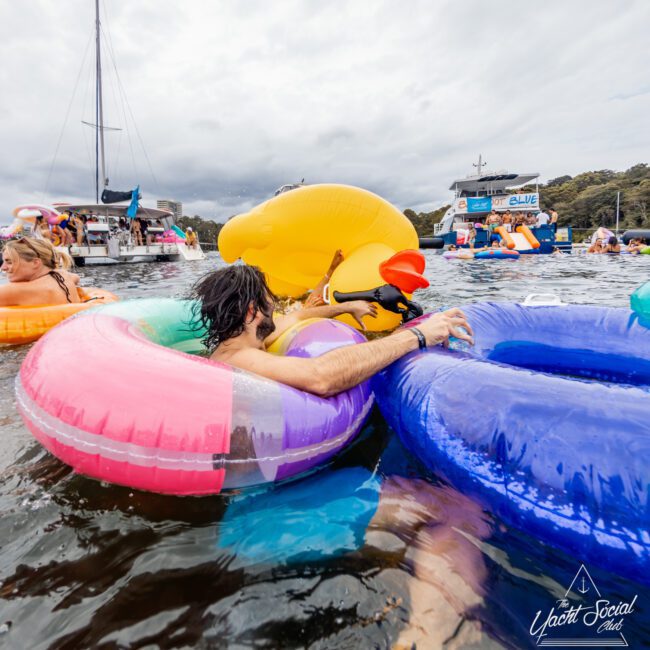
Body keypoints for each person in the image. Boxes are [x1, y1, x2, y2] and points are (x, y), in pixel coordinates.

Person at [190, 265, 473, 398]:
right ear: (253, 311)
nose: (274, 305)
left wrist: (347, 308)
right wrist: (417, 336)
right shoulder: (237, 360)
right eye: (269, 300)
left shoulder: (245, 342)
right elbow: (321, 377)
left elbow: (299, 315)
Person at [0, 237, 80, 306]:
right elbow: (76, 278)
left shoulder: (17, 290)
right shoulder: (63, 276)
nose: (3, 268)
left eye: (9, 262)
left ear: (35, 263)